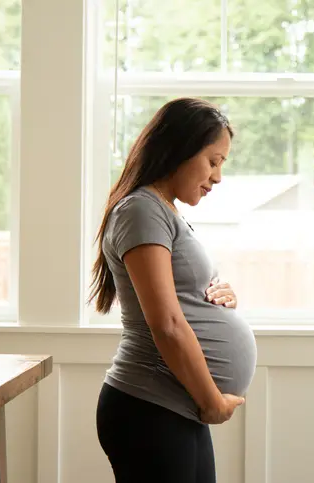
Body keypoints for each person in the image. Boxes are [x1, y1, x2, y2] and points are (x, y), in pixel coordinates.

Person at [89, 97, 257, 483]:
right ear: (179, 148)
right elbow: (166, 323)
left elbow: (179, 297)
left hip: (175, 406)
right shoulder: (141, 210)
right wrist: (211, 401)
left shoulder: (161, 210)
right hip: (150, 408)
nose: (217, 177)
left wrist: (220, 300)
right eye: (213, 161)